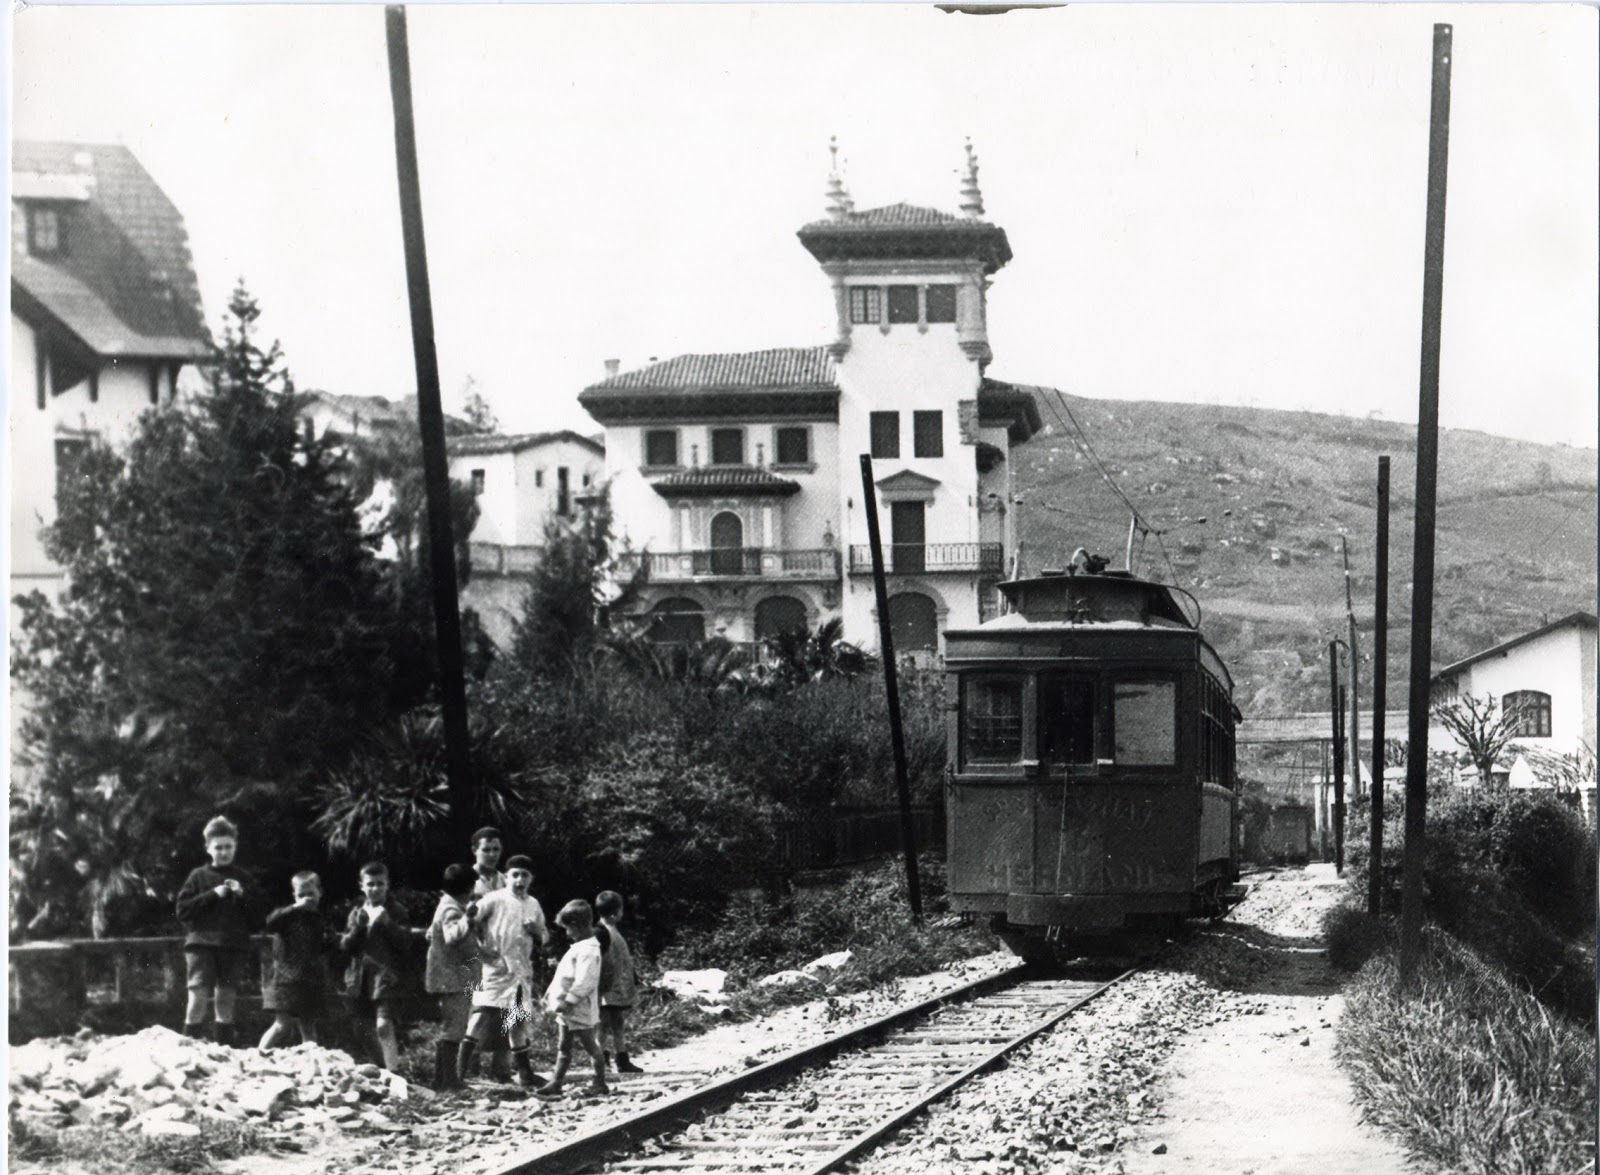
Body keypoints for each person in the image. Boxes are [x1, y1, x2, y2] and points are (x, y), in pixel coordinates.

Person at [460, 854, 548, 1088]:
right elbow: (469, 920)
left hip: (520, 971)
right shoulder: (494, 899)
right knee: (480, 1016)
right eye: (515, 875)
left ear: (531, 879)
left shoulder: (534, 904)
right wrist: (481, 949)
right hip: (494, 969)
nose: (519, 880)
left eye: (525, 875)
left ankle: (525, 1073)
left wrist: (537, 930)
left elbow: (545, 936)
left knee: (516, 1021)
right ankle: (458, 1072)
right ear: (506, 877)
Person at [174, 815, 252, 1045]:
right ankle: (187, 1052)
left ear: (235, 847)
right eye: (218, 847)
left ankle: (223, 1053)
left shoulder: (243, 878)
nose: (224, 852)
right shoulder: (198, 876)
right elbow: (183, 910)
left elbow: (258, 917)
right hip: (201, 944)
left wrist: (242, 895)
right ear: (208, 848)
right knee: (197, 998)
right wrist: (212, 895)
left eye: (228, 847)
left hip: (232, 945)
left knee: (225, 1001)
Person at [339, 862, 411, 1071]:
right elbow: (345, 946)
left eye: (380, 884)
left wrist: (388, 923)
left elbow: (405, 943)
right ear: (362, 886)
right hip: (360, 978)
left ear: (387, 885)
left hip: (386, 977)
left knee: (383, 1025)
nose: (375, 889)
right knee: (361, 1028)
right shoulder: (357, 912)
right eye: (370, 884)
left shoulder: (397, 911)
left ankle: (394, 1073)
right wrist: (358, 928)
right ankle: (383, 1068)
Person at [536, 899, 608, 1098]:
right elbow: (562, 976)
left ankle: (600, 1082)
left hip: (578, 1007)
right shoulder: (579, 947)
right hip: (565, 1008)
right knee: (563, 1046)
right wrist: (549, 995)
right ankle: (556, 1082)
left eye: (568, 928)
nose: (567, 933)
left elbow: (586, 981)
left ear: (576, 926)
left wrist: (570, 1001)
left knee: (590, 1046)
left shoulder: (589, 951)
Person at [259, 871, 330, 1050]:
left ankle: (311, 1063)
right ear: (294, 896)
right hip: (285, 979)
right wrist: (295, 907)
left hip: (308, 979)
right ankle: (258, 1055)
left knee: (308, 1027)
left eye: (311, 894)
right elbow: (270, 922)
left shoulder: (319, 919)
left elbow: (323, 947)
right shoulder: (288, 916)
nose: (306, 899)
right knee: (282, 1025)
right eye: (301, 895)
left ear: (320, 892)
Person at [426, 863, 480, 1090]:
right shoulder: (452, 910)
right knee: (454, 1028)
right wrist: (467, 919)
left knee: (453, 1026)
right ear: (467, 888)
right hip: (452, 978)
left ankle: (442, 1079)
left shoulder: (448, 905)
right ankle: (448, 1080)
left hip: (451, 976)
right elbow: (451, 937)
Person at [595, 890, 642, 1074]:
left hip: (616, 988)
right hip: (606, 989)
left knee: (617, 1022)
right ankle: (602, 1059)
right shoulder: (602, 933)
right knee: (603, 1024)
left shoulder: (611, 931)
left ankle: (622, 1058)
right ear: (615, 913)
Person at [470, 827, 507, 897]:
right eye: (486, 850)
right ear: (474, 850)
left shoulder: (507, 882)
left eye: (496, 849)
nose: (492, 855)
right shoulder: (465, 880)